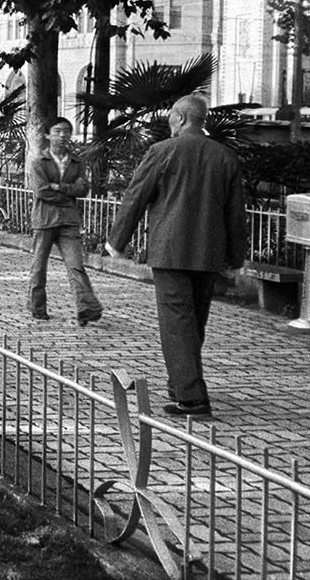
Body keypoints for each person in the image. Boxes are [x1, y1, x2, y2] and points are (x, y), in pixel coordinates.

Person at [106, 95, 247, 418]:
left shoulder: (161, 151)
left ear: (182, 118)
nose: (169, 123)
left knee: (176, 324)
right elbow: (235, 212)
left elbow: (135, 198)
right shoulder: (225, 156)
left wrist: (117, 241)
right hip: (209, 253)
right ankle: (181, 383)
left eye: (171, 117)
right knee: (194, 322)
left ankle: (193, 399)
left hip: (170, 250)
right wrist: (235, 257)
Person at [27, 117, 103, 325]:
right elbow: (41, 191)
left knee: (76, 265)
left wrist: (59, 188)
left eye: (67, 131)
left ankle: (86, 308)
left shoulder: (77, 162)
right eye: (58, 131)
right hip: (44, 220)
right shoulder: (38, 161)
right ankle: (37, 306)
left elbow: (83, 188)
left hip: (69, 221)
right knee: (39, 267)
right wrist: (68, 193)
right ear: (48, 135)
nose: (63, 135)